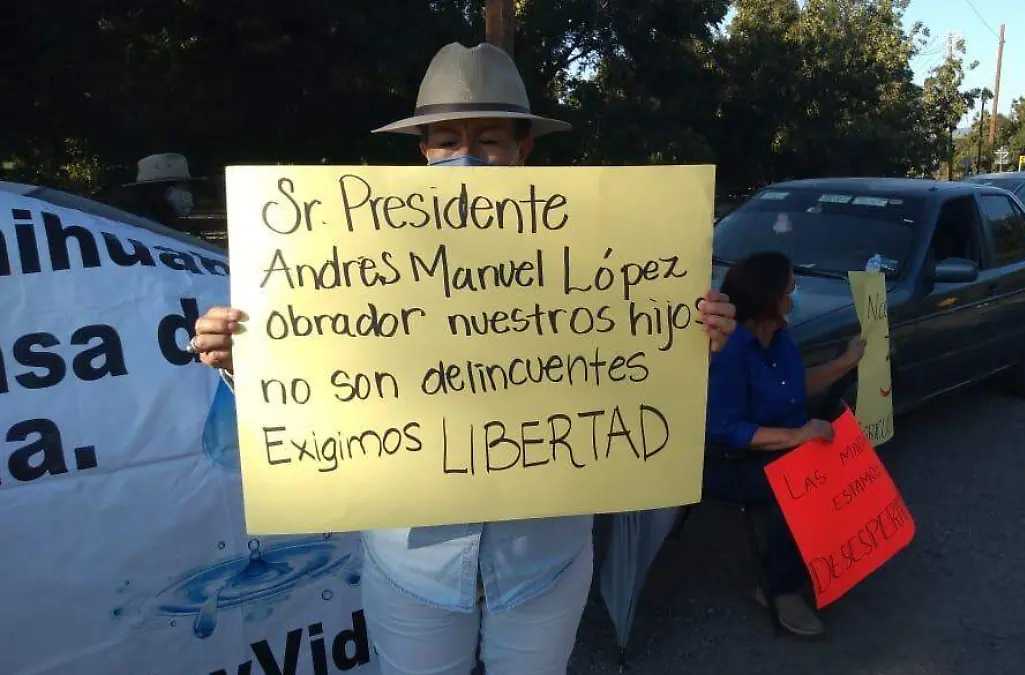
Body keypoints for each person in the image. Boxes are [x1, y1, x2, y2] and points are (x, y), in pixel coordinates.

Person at [186, 42, 738, 675]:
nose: (466, 157)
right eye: (446, 141)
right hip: (412, 566)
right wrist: (243, 360)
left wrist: (692, 339)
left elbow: (638, 388)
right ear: (422, 149)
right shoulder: (350, 253)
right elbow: (243, 444)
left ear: (524, 150)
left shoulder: (590, 252)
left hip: (545, 557)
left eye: (490, 142)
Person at [704, 251, 865, 638]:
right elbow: (724, 429)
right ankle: (778, 589)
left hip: (777, 446)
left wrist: (846, 362)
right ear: (767, 297)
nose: (796, 293)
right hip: (727, 461)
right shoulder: (728, 352)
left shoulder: (778, 336)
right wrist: (796, 437)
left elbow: (792, 389)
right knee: (804, 477)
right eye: (790, 287)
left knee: (837, 455)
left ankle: (824, 557)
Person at [122, 152, 202, 227]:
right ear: (155, 190)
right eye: (179, 185)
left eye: (186, 187)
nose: (186, 193)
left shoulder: (164, 226)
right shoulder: (146, 228)